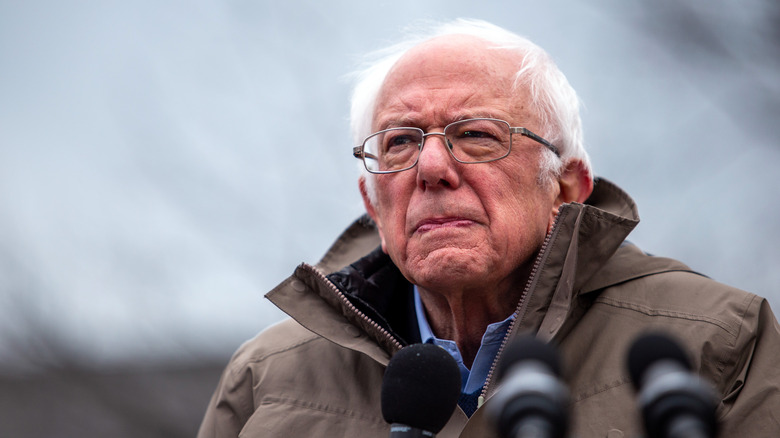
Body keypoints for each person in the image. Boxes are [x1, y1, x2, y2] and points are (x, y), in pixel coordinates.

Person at [198, 19, 780, 437]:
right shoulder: (266, 377)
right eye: (400, 142)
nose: (430, 169)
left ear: (567, 187)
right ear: (372, 203)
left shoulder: (717, 342)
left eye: (476, 134)